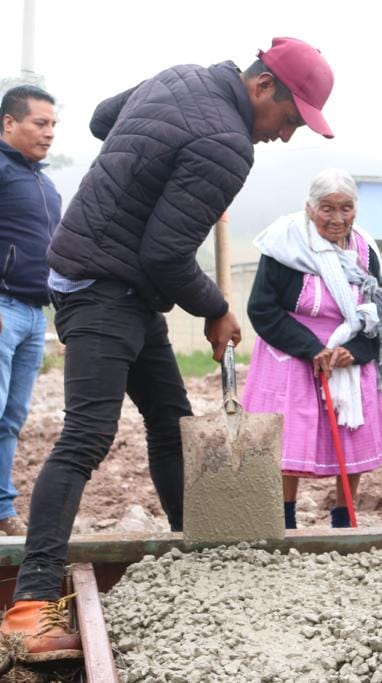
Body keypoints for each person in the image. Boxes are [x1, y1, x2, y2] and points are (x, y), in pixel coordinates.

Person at [0, 37, 335, 663]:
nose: (285, 138)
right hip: (107, 287)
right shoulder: (226, 146)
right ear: (263, 88)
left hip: (115, 276)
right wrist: (215, 307)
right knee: (86, 438)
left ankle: (202, 552)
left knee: (171, 420)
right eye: (289, 121)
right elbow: (165, 255)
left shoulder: (182, 77)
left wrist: (159, 169)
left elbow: (105, 119)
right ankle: (29, 607)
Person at [243, 169, 382, 529]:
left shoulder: (364, 250)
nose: (337, 218)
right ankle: (284, 519)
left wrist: (353, 350)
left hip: (347, 354)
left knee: (350, 436)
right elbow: (262, 308)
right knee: (287, 436)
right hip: (292, 352)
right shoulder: (285, 244)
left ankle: (344, 517)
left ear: (355, 209)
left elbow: (374, 312)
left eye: (346, 208)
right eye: (327, 208)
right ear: (310, 208)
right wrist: (312, 349)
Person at [0, 85, 61, 536]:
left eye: (54, 125)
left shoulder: (43, 182)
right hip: (2, 307)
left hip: (33, 314)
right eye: (40, 123)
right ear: (8, 123)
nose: (50, 133)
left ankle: (2, 509)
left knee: (12, 416)